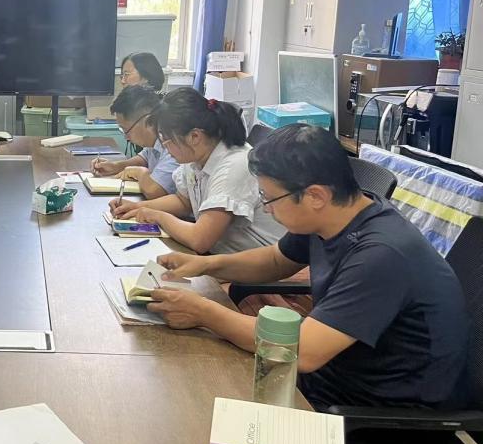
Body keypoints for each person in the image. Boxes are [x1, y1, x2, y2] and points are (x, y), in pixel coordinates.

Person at [147, 124, 468, 411]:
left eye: (269, 198)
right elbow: (276, 260)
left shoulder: (382, 255)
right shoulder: (336, 214)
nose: (266, 209)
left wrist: (203, 313)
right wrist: (205, 264)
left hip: (378, 409)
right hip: (333, 374)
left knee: (201, 399)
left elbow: (306, 350)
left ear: (315, 195)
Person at [112, 87, 283, 254]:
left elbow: (199, 240)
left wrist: (157, 216)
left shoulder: (233, 166)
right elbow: (183, 201)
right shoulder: (196, 157)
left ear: (195, 136)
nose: (165, 148)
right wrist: (137, 207)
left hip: (258, 267)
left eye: (167, 141)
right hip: (222, 257)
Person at [94, 52, 165, 177]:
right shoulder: (139, 108)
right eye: (122, 76)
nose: (122, 81)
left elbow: (156, 186)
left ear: (146, 76)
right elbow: (148, 155)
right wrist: (116, 166)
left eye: (126, 75)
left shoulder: (164, 116)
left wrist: (139, 173)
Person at [102, 85, 178, 199]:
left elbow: (155, 191)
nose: (126, 138)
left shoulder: (173, 144)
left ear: (148, 121)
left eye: (126, 130)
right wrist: (116, 166)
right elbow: (144, 158)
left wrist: (140, 173)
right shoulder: (153, 140)